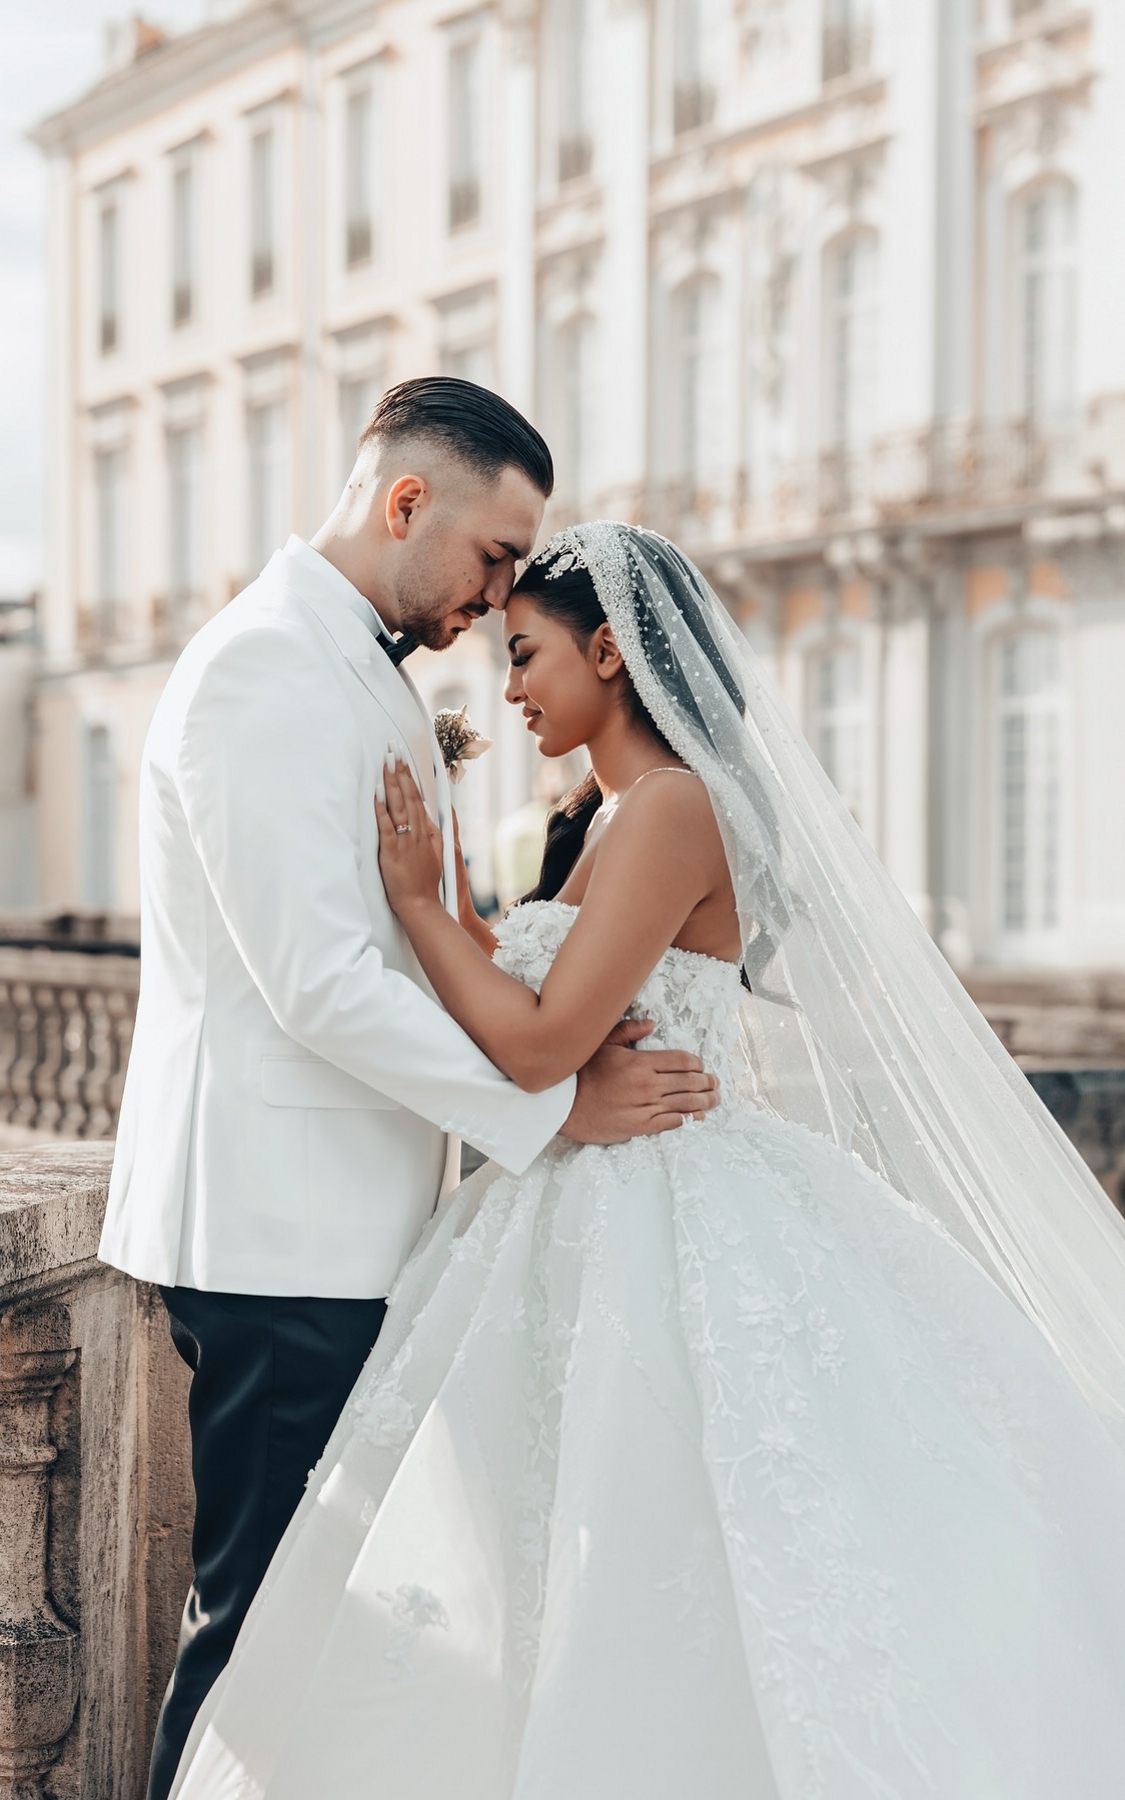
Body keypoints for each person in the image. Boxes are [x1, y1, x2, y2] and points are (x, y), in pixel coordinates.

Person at [171, 521, 1125, 1798]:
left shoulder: (674, 808)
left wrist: (423, 911)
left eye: (527, 652)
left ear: (610, 652)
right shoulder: (612, 812)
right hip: (582, 1193)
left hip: (655, 1193)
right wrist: (458, 911)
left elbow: (542, 1046)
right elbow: (538, 997)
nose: (509, 686)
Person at [98, 395, 720, 1800]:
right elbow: (318, 983)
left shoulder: (360, 672)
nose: (499, 597)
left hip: (352, 1228)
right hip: (275, 1237)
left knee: (331, 1641)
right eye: (495, 557)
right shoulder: (264, 669)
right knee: (256, 1635)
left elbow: (418, 941)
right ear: (405, 505)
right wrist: (556, 1106)